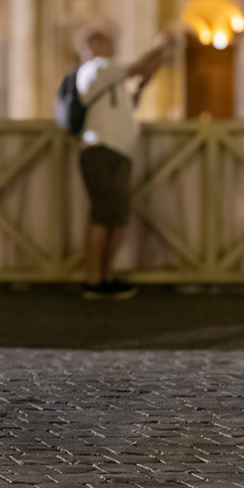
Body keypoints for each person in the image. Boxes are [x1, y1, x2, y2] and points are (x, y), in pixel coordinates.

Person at [72, 29, 174, 298]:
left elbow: (129, 103)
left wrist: (143, 84)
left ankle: (106, 276)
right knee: (102, 214)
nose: (114, 43)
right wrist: (161, 46)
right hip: (101, 149)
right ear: (93, 45)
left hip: (118, 150)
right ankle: (93, 279)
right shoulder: (95, 68)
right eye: (107, 40)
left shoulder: (110, 77)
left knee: (116, 216)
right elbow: (138, 67)